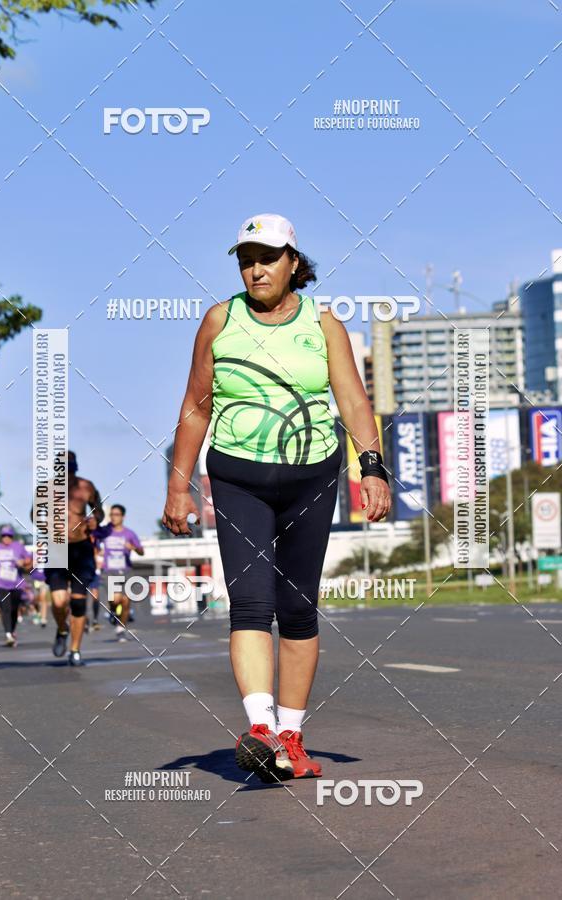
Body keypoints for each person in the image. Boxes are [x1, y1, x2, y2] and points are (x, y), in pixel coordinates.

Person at [162, 213, 392, 783]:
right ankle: (261, 729)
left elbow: (353, 401)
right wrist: (178, 485)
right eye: (246, 260)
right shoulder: (220, 320)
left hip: (312, 478)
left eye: (267, 258)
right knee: (249, 604)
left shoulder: (324, 323)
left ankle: (290, 735)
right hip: (238, 478)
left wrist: (372, 469)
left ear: (294, 262)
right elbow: (196, 406)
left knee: (297, 608)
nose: (256, 269)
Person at [37, 450, 104, 665]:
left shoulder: (86, 486)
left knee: (78, 602)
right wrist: (44, 525)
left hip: (81, 549)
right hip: (57, 549)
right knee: (58, 601)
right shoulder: (46, 488)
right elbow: (34, 514)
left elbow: (99, 511)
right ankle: (62, 629)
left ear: (75, 467)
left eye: (70, 467)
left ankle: (75, 650)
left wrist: (95, 520)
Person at [93, 504, 144, 641]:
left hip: (126, 571)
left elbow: (141, 551)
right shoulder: (104, 531)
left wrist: (133, 547)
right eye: (111, 515)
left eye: (116, 515)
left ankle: (121, 628)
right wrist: (97, 554)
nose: (113, 517)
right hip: (109, 572)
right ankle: (113, 611)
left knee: (126, 601)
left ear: (123, 516)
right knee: (115, 599)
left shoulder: (129, 533)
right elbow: (92, 542)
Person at [0, 525, 32, 647]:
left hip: (16, 583)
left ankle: (12, 631)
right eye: (4, 536)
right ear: (1, 537)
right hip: (0, 583)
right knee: (5, 608)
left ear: (12, 537)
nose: (6, 538)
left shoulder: (18, 546)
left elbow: (28, 559)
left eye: (9, 536)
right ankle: (8, 635)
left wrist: (23, 562)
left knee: (14, 609)